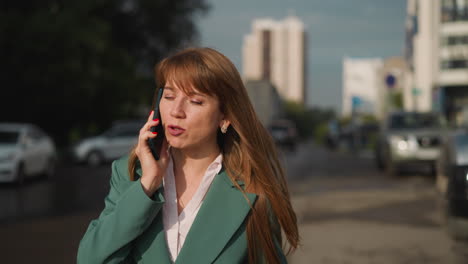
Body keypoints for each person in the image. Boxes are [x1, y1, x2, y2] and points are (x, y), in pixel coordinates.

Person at [77, 47, 299, 263]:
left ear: (225, 117)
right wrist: (147, 185)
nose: (176, 111)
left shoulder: (252, 192)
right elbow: (91, 259)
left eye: (195, 101)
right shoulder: (130, 174)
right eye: (169, 96)